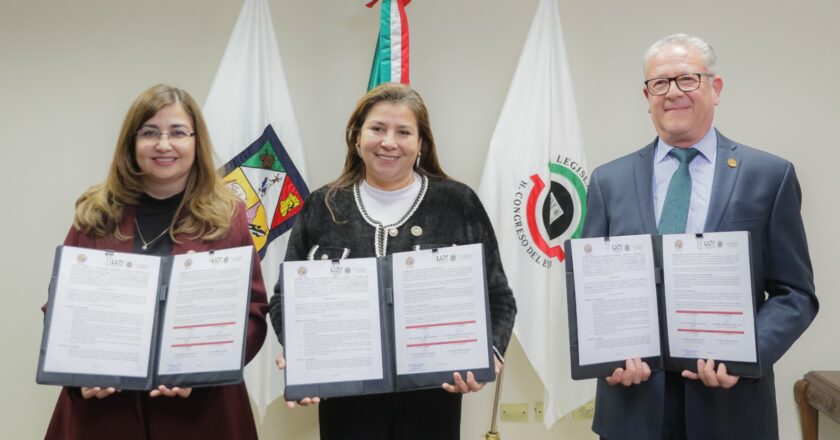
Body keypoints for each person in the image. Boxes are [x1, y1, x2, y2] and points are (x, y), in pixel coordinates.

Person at [583, 33, 818, 440]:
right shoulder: (608, 181)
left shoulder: (769, 175)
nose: (673, 92)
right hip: (633, 407)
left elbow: (794, 293)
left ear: (716, 87)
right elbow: (595, 290)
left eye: (687, 79)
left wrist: (746, 354)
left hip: (731, 406)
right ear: (647, 95)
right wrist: (608, 355)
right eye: (660, 83)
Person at [268, 83, 517, 440]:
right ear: (356, 138)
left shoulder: (457, 203)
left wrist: (488, 354)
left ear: (421, 144)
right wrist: (303, 355)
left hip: (432, 403)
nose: (389, 142)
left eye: (404, 132)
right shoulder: (323, 207)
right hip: (345, 404)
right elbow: (284, 301)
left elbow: (499, 297)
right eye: (377, 129)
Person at [43, 84, 268, 440]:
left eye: (178, 132)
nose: (164, 144)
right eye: (150, 133)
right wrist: (79, 375)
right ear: (131, 143)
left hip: (201, 413)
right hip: (105, 412)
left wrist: (203, 372)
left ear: (196, 141)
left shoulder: (228, 217)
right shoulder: (95, 213)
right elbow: (63, 306)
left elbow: (253, 312)